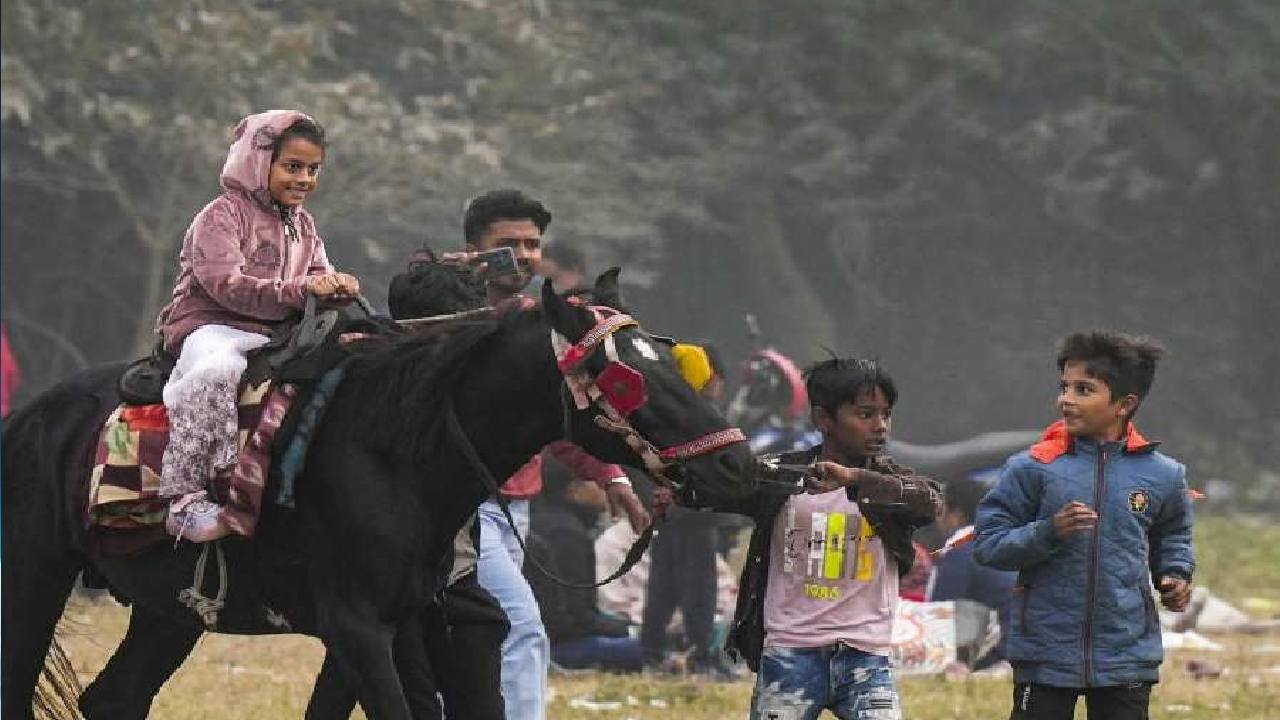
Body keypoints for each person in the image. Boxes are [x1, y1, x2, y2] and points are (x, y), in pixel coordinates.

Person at [438, 189, 651, 720]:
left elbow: (559, 420)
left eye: (533, 244)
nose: (524, 254)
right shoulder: (443, 315)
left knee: (471, 634)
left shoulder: (539, 325)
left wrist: (611, 477)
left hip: (516, 508)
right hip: (461, 507)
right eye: (506, 243)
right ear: (472, 250)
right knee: (521, 627)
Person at [154, 110, 359, 542]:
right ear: (259, 162)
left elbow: (318, 273)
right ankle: (185, 497)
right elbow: (226, 286)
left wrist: (338, 285)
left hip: (272, 333)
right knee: (219, 371)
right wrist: (303, 290)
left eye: (313, 169)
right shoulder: (221, 215)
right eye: (293, 167)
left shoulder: (303, 223)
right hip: (211, 327)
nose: (304, 179)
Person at [974, 330, 1194, 720]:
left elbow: (1172, 534)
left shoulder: (1164, 475)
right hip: (1044, 653)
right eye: (1064, 387)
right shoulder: (1032, 467)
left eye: (1083, 389)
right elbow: (989, 544)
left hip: (1126, 653)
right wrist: (1048, 531)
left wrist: (1175, 574)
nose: (1066, 399)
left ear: (1124, 404)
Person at [725, 357, 941, 720]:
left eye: (886, 415)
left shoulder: (890, 484)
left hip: (867, 658)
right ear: (823, 419)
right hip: (789, 655)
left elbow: (930, 502)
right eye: (865, 414)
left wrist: (856, 479)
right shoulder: (779, 475)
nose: (880, 427)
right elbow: (717, 487)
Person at [641, 342, 737, 678]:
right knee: (700, 588)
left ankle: (651, 651)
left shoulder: (662, 412)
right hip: (696, 514)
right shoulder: (702, 415)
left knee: (663, 585)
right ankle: (703, 656)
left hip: (669, 512)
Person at [526, 463, 642, 672]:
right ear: (575, 491)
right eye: (596, 483)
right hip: (559, 646)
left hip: (545, 639)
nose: (604, 489)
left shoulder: (538, 522)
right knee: (650, 649)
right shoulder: (567, 536)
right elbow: (575, 617)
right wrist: (623, 628)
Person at [927, 477, 1016, 668]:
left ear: (956, 514)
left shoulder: (960, 553)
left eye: (941, 511)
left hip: (998, 658)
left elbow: (938, 616)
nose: (938, 519)